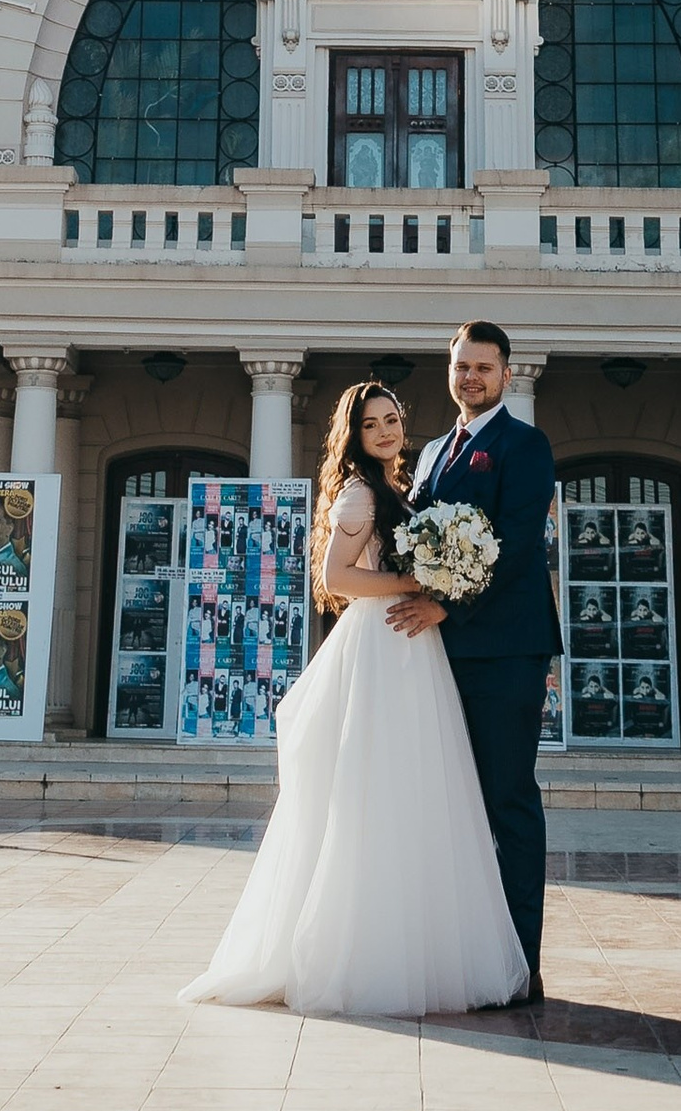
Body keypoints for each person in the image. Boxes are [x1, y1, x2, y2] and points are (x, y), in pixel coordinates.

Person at [177, 378, 527, 1019]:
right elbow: (334, 577)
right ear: (355, 435)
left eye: (393, 419)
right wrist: (411, 579)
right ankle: (362, 954)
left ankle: (421, 947)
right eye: (373, 425)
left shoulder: (401, 485)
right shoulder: (361, 493)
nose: (388, 431)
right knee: (374, 789)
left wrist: (440, 576)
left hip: (411, 644)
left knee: (418, 790)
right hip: (379, 644)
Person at [390, 317, 559, 1005]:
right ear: (449, 370)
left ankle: (520, 965)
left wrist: (446, 608)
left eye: (484, 368)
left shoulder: (526, 446)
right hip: (439, 656)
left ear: (507, 375)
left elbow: (515, 544)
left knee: (507, 803)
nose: (471, 378)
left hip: (505, 652)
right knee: (449, 806)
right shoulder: (433, 450)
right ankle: (466, 957)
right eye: (462, 366)